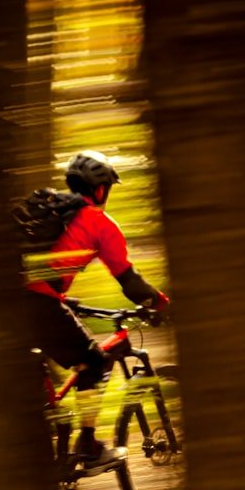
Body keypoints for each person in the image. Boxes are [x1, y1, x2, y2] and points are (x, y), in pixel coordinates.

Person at [25, 150, 169, 465]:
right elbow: (129, 281)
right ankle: (88, 446)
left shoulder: (52, 211)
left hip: (8, 301)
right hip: (38, 304)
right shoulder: (99, 223)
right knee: (92, 361)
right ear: (101, 189)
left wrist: (65, 300)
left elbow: (44, 270)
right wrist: (162, 304)